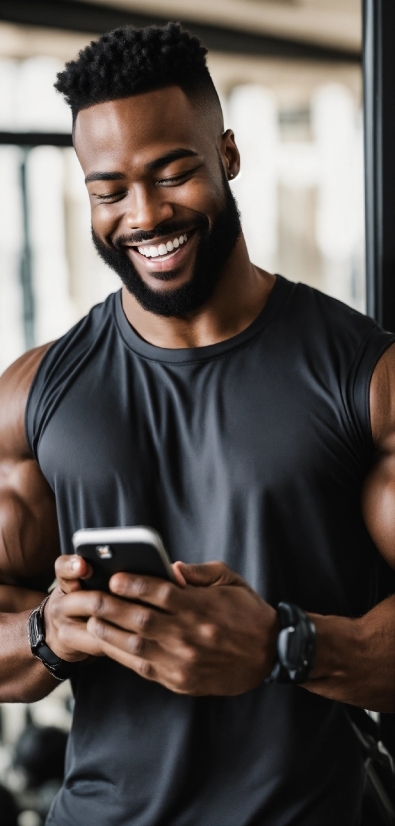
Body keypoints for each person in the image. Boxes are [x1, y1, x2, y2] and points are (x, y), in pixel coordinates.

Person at [0, 22, 394, 826]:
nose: (143, 215)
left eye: (173, 173)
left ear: (229, 156)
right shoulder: (35, 391)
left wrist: (286, 644)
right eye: (108, 191)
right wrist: (49, 632)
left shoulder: (366, 374)